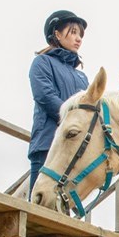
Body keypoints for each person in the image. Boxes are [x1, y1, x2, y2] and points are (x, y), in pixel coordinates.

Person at [28, 10, 89, 195]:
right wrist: (74, 119)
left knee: (65, 205)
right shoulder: (42, 62)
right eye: (73, 32)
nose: (78, 39)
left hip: (73, 148)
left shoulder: (82, 77)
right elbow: (45, 96)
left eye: (80, 34)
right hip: (47, 142)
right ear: (56, 34)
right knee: (39, 206)